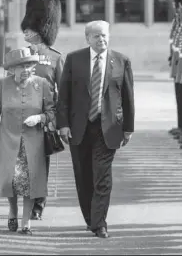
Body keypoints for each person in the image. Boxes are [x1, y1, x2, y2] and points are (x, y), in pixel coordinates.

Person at [56, 20, 135, 238]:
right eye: (97, 36)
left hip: (108, 128)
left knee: (103, 175)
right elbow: (63, 96)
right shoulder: (74, 60)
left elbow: (128, 98)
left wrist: (128, 128)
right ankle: (91, 218)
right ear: (88, 38)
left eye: (105, 35)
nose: (101, 39)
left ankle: (100, 223)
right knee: (83, 176)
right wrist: (62, 124)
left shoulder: (121, 61)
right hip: (78, 127)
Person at [0, 47, 56, 235]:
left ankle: (26, 223)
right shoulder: (2, 85)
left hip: (33, 143)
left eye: (30, 64)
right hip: (9, 142)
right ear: (12, 69)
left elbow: (53, 112)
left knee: (30, 182)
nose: (26, 69)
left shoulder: (42, 84)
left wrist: (40, 118)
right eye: (21, 65)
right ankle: (12, 210)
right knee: (11, 181)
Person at [18, 0, 64, 221]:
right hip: (23, 116)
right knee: (24, 163)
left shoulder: (56, 58)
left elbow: (62, 92)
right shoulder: (21, 55)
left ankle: (39, 203)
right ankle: (27, 200)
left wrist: (62, 122)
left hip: (44, 119)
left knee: (41, 163)